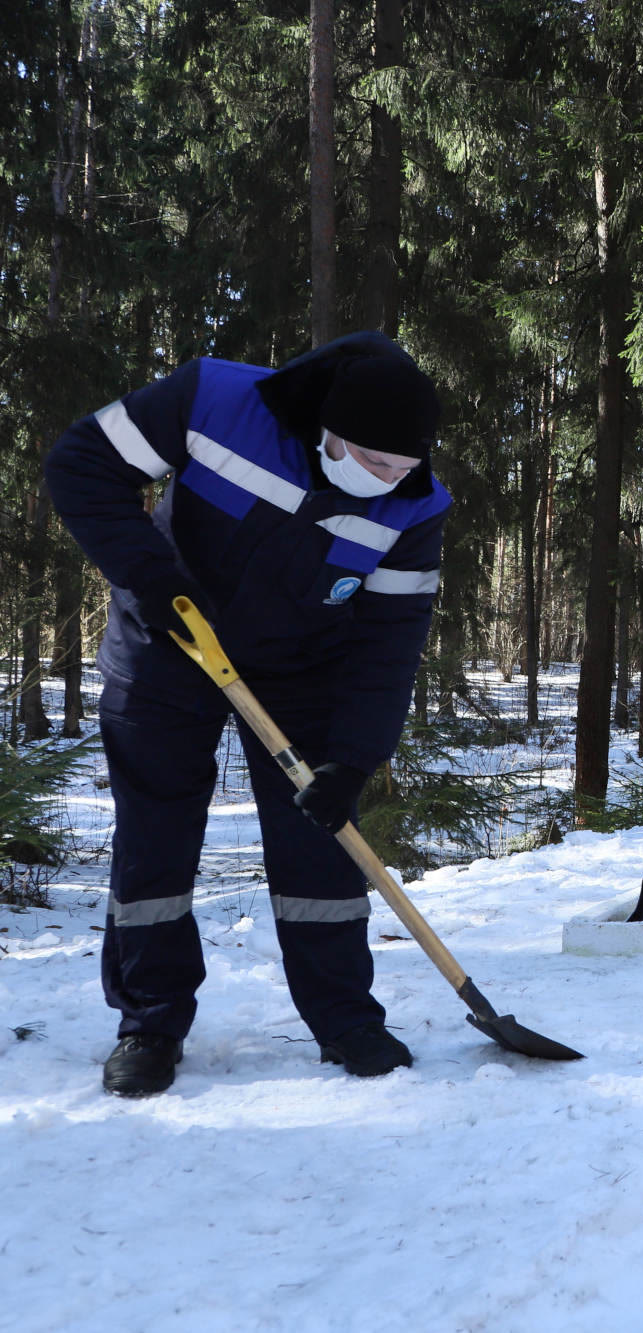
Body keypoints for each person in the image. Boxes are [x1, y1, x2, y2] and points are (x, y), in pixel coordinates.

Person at [44, 332, 450, 1096]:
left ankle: (345, 1017)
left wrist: (354, 756)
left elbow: (390, 642)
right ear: (330, 430)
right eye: (375, 463)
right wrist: (150, 576)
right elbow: (79, 463)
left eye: (405, 466)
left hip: (304, 667)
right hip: (168, 637)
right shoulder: (215, 401)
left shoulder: (415, 503)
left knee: (322, 841)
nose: (392, 480)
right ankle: (151, 1021)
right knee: (156, 836)